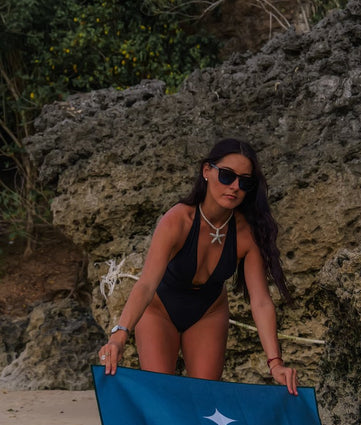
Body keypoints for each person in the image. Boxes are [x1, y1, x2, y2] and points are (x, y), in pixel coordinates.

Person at [98, 138, 298, 394]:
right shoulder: (178, 220)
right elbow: (147, 283)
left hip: (208, 313)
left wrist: (276, 364)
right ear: (206, 171)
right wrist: (119, 335)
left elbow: (260, 301)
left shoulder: (247, 234)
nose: (235, 186)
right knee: (162, 395)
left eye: (245, 181)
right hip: (159, 311)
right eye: (227, 176)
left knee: (205, 400)